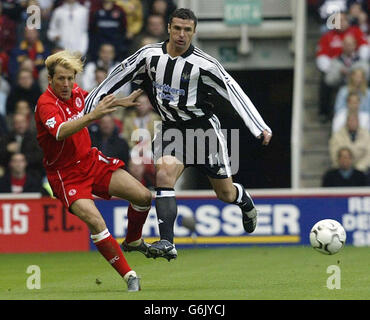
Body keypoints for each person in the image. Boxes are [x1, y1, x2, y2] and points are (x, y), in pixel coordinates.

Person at [84, 8, 272, 261]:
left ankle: (244, 201)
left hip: (204, 131)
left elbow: (233, 91)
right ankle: (167, 242)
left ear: (194, 32)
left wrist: (258, 125)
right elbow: (118, 75)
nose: (182, 35)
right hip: (171, 128)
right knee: (164, 173)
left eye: (187, 30)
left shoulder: (204, 65)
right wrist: (88, 106)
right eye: (177, 29)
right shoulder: (149, 55)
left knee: (225, 194)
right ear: (169, 29)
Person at [34, 50, 154, 292]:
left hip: (91, 161)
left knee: (143, 197)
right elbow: (60, 132)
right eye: (61, 79)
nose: (67, 84)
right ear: (50, 80)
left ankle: (132, 240)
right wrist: (92, 117)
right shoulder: (45, 104)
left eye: (70, 78)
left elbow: (92, 102)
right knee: (96, 221)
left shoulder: (78, 94)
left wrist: (120, 101)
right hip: (65, 174)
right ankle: (130, 276)